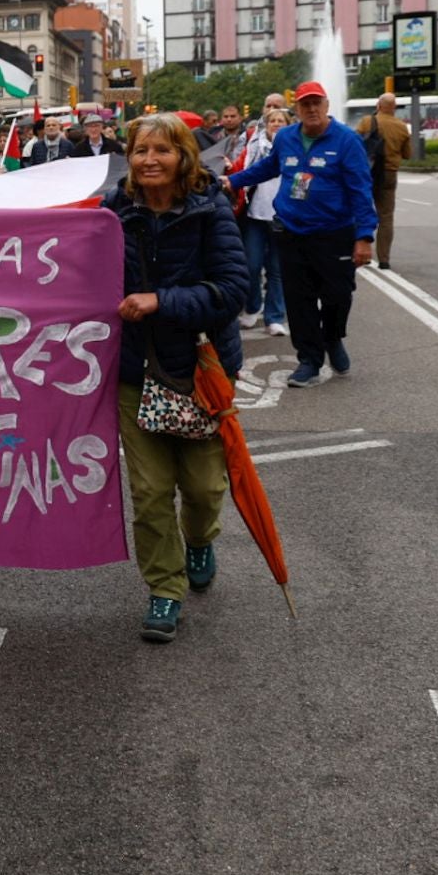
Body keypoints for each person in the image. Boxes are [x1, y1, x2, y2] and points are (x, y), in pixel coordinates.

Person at [104, 113, 248, 643]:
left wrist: (161, 301)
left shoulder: (211, 211)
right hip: (134, 370)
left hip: (199, 372)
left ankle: (200, 539)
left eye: (162, 150)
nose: (149, 161)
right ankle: (165, 590)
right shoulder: (111, 212)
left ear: (183, 155)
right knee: (149, 492)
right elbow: (75, 268)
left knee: (206, 489)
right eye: (141, 150)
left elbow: (234, 292)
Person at [223, 81, 376, 388]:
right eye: (305, 104)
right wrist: (233, 181)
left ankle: (332, 339)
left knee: (338, 296)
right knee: (299, 299)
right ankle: (309, 359)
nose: (311, 109)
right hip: (292, 231)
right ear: (297, 110)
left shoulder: (346, 141)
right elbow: (268, 167)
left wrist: (364, 237)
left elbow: (361, 189)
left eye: (316, 102)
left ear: (326, 105)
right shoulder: (287, 138)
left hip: (335, 234)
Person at [236, 104, 289, 337]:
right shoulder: (254, 145)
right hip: (255, 215)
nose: (276, 124)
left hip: (281, 217)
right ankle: (252, 307)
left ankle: (275, 317)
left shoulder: (293, 147)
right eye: (272, 121)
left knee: (277, 270)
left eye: (281, 121)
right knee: (251, 265)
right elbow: (246, 171)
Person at [354, 93, 413, 269]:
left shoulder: (366, 122)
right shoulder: (402, 127)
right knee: (386, 217)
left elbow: (354, 145)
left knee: (360, 210)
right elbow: (408, 154)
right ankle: (384, 259)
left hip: (367, 172)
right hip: (389, 175)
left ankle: (358, 250)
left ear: (378, 105)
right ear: (394, 108)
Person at [199, 104, 248, 177]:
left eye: (233, 116)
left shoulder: (248, 136)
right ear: (221, 119)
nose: (229, 119)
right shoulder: (212, 137)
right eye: (226, 116)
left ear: (240, 118)